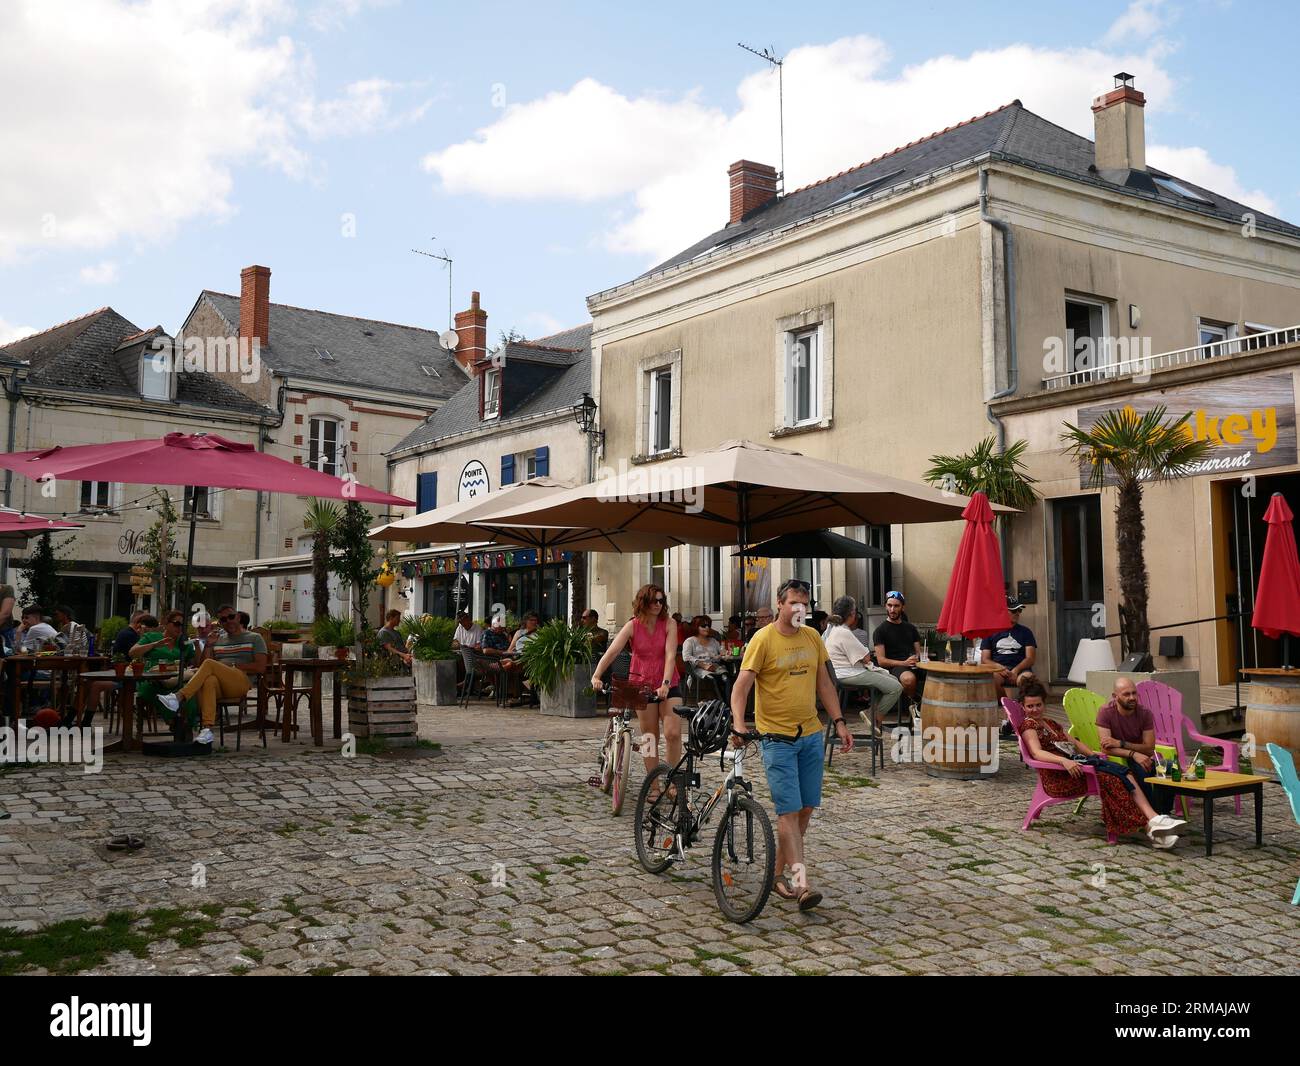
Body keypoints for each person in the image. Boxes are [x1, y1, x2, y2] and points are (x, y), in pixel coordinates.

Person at [731, 579, 851, 911]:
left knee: (806, 808)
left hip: (810, 735)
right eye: (795, 603)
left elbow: (824, 682)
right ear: (781, 605)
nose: (801, 610)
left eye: (805, 604)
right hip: (777, 739)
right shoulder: (763, 639)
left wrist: (839, 721)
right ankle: (801, 884)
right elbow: (741, 687)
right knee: (788, 812)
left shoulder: (813, 637)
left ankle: (774, 876)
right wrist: (739, 723)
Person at [1015, 681, 1183, 847]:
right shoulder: (1029, 725)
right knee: (1114, 780)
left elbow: (1073, 741)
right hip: (1060, 775)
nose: (1035, 709)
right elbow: (1036, 753)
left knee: (1123, 772)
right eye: (1030, 706)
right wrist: (1063, 761)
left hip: (1077, 768)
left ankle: (1154, 820)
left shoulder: (1050, 723)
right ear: (1023, 707)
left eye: (1038, 705)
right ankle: (1152, 826)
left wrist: (1092, 754)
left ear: (1044, 704)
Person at [589, 585, 682, 781]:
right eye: (653, 601)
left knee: (673, 733)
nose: (658, 605)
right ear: (643, 602)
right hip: (641, 684)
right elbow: (612, 652)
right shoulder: (633, 625)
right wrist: (596, 675)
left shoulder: (669, 623)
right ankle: (653, 784)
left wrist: (665, 684)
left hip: (668, 683)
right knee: (650, 736)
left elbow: (670, 654)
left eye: (661, 601)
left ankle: (673, 782)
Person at [158, 604, 267, 745]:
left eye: (231, 617)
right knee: (209, 680)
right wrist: (209, 646)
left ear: (238, 617)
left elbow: (260, 667)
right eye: (223, 620)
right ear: (220, 623)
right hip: (220, 686)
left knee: (211, 665)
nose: (228, 621)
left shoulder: (255, 638)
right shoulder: (217, 639)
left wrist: (230, 666)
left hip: (241, 681)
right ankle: (207, 729)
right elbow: (202, 666)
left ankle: (179, 697)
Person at [823, 596, 904, 731]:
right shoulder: (843, 632)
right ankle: (876, 719)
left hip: (840, 673)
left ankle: (871, 713)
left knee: (890, 680)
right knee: (896, 687)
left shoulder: (832, 629)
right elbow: (866, 657)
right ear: (852, 614)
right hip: (848, 673)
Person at [1097, 677, 1175, 816]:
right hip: (1117, 759)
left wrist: (1121, 743)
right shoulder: (1106, 712)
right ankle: (1153, 815)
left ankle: (1164, 812)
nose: (1132, 697)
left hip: (1140, 756)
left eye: (1134, 693)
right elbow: (1106, 748)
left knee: (1170, 767)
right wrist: (1133, 754)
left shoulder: (1144, 713)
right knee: (1141, 769)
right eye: (1126, 694)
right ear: (1115, 697)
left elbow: (1149, 748)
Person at [74, 611, 148, 725]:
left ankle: (81, 721)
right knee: (90, 683)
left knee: (93, 685)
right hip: (127, 677)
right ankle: (80, 721)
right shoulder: (131, 635)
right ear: (139, 623)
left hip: (130, 677)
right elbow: (138, 657)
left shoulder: (126, 633)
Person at [131, 611, 198, 728]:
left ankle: (188, 726)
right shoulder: (151, 637)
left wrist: (197, 645)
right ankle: (174, 721)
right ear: (166, 624)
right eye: (177, 624)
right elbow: (132, 653)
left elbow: (196, 664)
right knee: (152, 691)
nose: (180, 628)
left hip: (175, 680)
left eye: (183, 625)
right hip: (151, 680)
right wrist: (154, 645)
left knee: (188, 694)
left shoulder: (184, 643)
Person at [873, 591, 923, 710]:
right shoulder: (880, 631)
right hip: (896, 667)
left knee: (939, 675)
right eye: (889, 605)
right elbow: (881, 661)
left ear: (903, 607)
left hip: (915, 664)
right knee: (908, 679)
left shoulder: (910, 628)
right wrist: (904, 663)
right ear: (886, 606)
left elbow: (918, 652)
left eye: (896, 606)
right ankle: (916, 704)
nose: (892, 609)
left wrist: (917, 658)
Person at [982, 597, 1038, 698]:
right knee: (990, 679)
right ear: (1003, 611)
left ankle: (1023, 704)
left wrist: (1016, 670)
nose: (1017, 613)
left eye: (1019, 610)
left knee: (1029, 679)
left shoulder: (1026, 632)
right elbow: (985, 659)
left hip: (1021, 670)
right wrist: (998, 667)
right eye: (1013, 610)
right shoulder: (990, 632)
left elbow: (1031, 659)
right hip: (998, 670)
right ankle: (1005, 703)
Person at [683, 616, 729, 700]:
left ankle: (727, 705)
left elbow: (723, 653)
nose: (707, 628)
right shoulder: (690, 641)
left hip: (716, 667)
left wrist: (725, 653)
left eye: (708, 626)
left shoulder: (713, 641)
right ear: (696, 627)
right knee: (714, 679)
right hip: (699, 669)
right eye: (703, 626)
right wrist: (702, 664)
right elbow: (686, 657)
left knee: (727, 678)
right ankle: (723, 704)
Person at [502, 612, 541, 706]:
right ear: (526, 621)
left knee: (509, 665)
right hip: (517, 656)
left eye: (535, 620)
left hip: (530, 660)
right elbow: (510, 649)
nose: (534, 622)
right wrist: (514, 652)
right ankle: (505, 665)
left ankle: (505, 666)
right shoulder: (519, 633)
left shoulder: (540, 633)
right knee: (508, 662)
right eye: (531, 620)